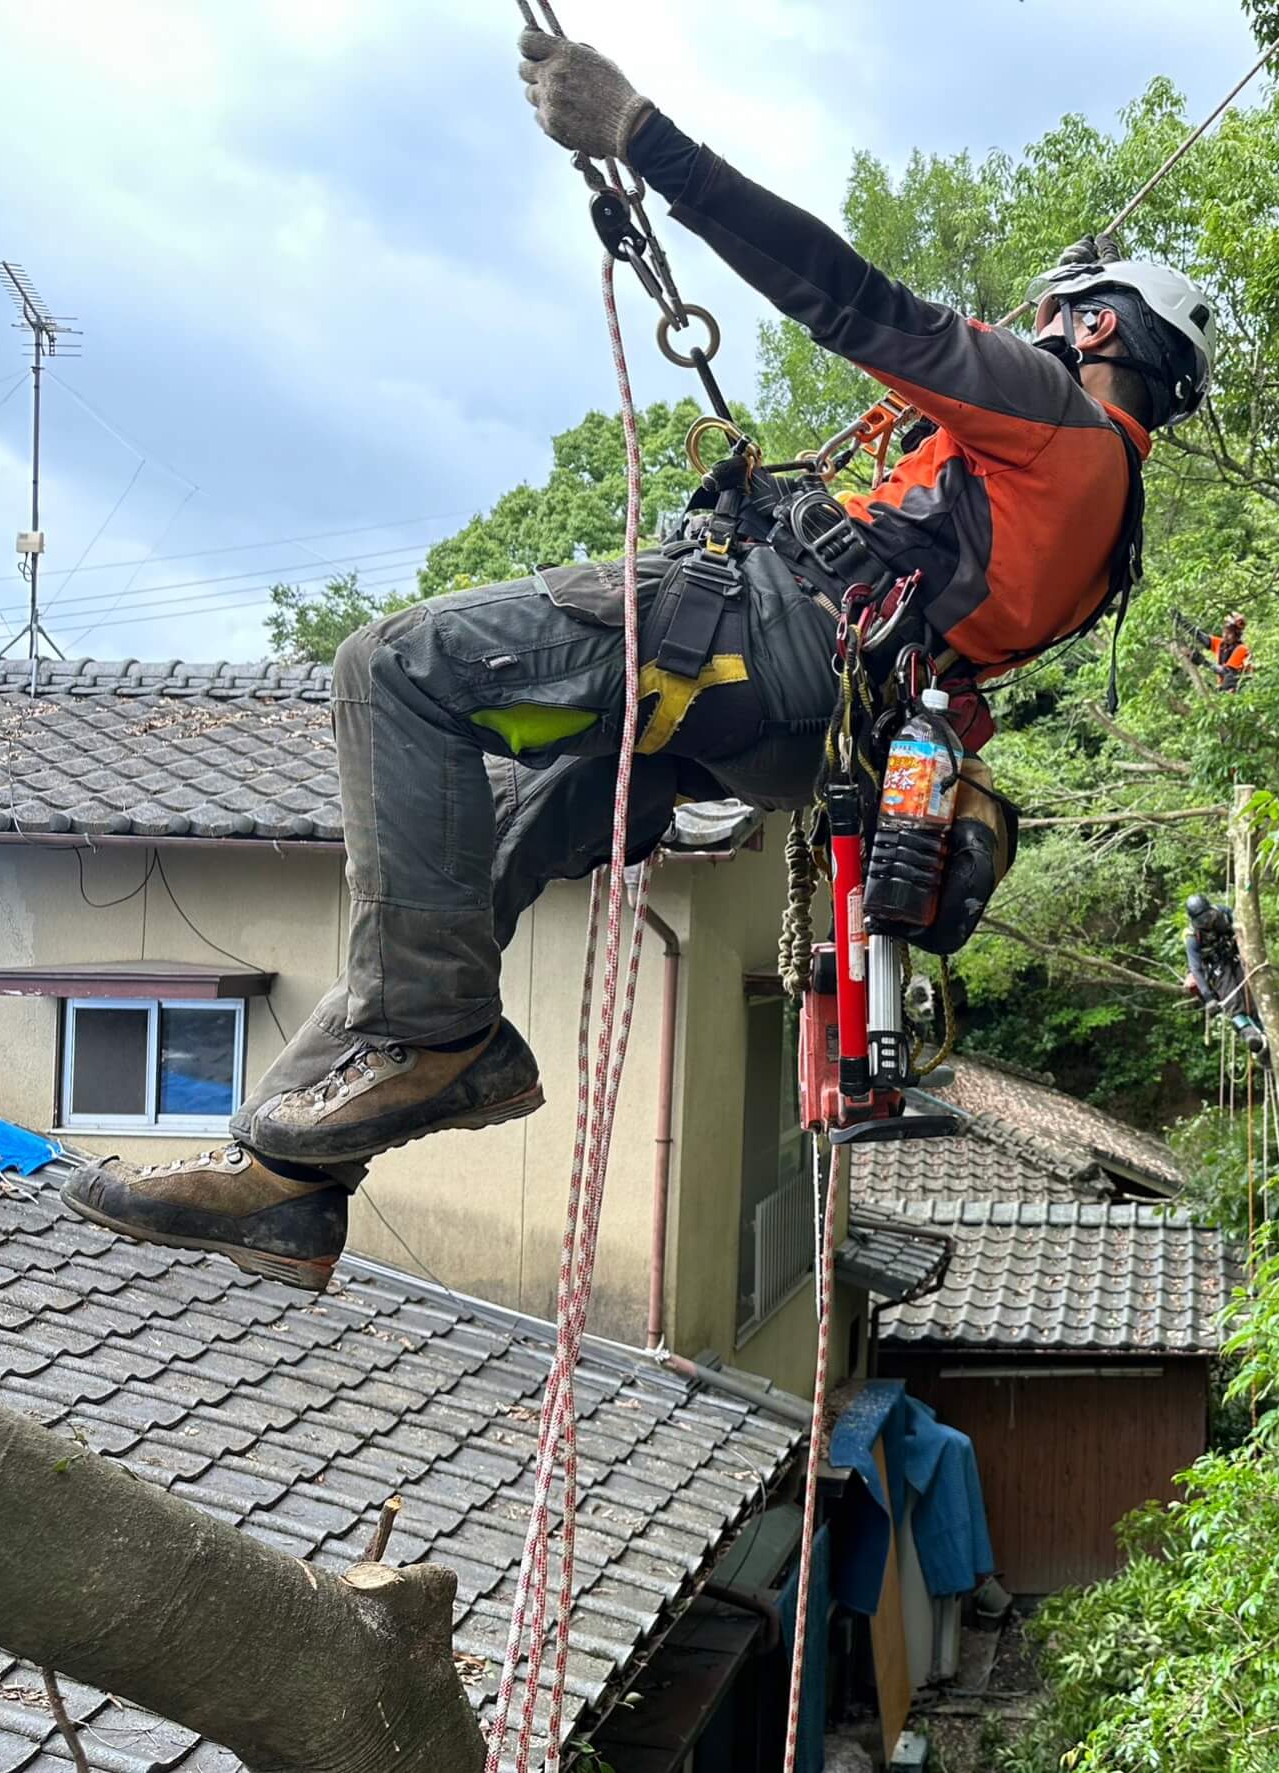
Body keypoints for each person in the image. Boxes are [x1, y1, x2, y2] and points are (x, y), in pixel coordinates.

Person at [59, 30, 1219, 1294]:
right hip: (782, 719)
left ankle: (437, 1043)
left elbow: (856, 302)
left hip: (754, 639)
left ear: (1097, 324)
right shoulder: (1104, 535)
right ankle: (290, 1184)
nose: (1026, 331)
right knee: (480, 850)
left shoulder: (1058, 422)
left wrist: (643, 137)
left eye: (1050, 316)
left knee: (392, 670)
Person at [1183, 894, 1265, 1057]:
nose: (1206, 923)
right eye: (1201, 921)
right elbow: (1196, 968)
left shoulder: (1223, 914)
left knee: (1250, 994)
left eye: (1207, 917)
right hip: (1216, 967)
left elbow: (1243, 929)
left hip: (1235, 957)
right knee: (1232, 1001)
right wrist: (1208, 998)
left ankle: (1263, 1032)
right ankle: (1249, 1034)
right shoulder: (1193, 937)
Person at [1204, 613, 1250, 691]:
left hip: (1239, 687)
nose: (1225, 635)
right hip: (1224, 685)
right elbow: (1202, 637)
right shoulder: (1221, 644)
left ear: (1237, 635)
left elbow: (1226, 671)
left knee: (1230, 678)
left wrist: (1202, 661)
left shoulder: (1241, 649)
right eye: (1224, 632)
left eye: (1229, 633)